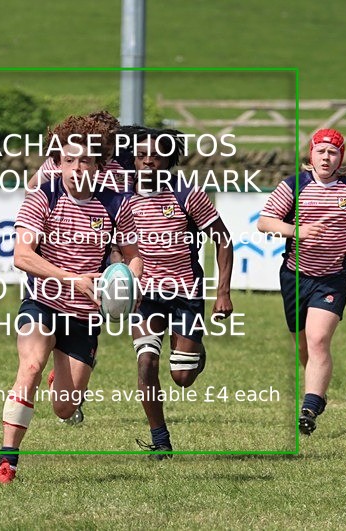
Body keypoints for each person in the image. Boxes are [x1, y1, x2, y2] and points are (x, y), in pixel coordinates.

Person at [0, 115, 142, 484]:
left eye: (85, 160)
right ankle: (7, 463)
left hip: (86, 314)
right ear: (57, 163)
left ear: (99, 164)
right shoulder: (43, 196)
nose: (77, 168)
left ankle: (65, 382)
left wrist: (128, 284)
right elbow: (22, 256)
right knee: (30, 367)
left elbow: (133, 255)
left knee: (64, 407)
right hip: (43, 301)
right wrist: (72, 279)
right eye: (69, 161)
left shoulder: (115, 204)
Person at [257, 129, 346, 436]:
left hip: (333, 277)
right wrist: (294, 230)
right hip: (294, 276)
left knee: (317, 340)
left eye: (333, 152)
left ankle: (309, 408)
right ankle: (318, 392)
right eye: (321, 151)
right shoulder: (294, 185)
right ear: (310, 155)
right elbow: (264, 222)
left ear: (342, 157)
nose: (327, 157)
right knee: (302, 345)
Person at [126, 128, 233, 458]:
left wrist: (223, 293)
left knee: (182, 377)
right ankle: (160, 440)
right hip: (144, 297)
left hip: (186, 293)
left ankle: (195, 352)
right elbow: (116, 245)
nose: (148, 160)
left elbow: (224, 240)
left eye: (156, 155)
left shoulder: (188, 196)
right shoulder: (121, 198)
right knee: (146, 363)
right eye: (141, 154)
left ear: (168, 160)